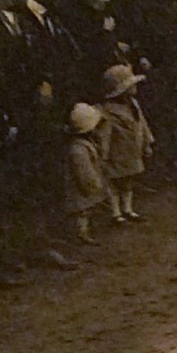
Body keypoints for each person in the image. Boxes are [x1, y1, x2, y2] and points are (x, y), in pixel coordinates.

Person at [99, 63, 154, 223]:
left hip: (132, 150)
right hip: (117, 153)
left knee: (129, 180)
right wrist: (103, 153)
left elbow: (142, 124)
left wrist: (147, 143)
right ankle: (116, 212)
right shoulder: (108, 111)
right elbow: (105, 134)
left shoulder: (134, 104)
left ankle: (128, 209)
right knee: (114, 183)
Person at [64, 103, 110, 246]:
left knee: (86, 209)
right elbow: (84, 172)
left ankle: (85, 230)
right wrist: (93, 184)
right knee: (81, 211)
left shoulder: (84, 144)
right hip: (80, 186)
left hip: (85, 185)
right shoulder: (78, 149)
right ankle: (81, 233)